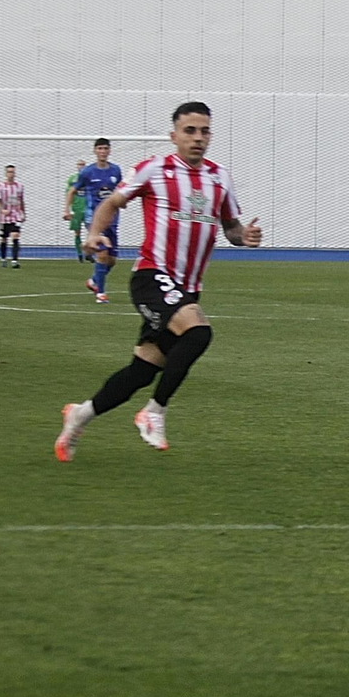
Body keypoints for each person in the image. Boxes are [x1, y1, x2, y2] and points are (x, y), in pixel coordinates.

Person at [54, 102, 262, 462]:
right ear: (174, 136)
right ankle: (155, 411)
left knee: (142, 370)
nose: (198, 138)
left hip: (186, 288)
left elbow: (230, 228)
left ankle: (79, 415)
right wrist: (94, 233)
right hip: (153, 276)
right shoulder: (155, 169)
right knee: (199, 332)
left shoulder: (219, 177)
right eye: (190, 131)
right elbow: (113, 202)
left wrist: (246, 235)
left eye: (204, 131)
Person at [64, 139, 122, 303]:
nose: (103, 151)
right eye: (100, 148)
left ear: (109, 151)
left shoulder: (115, 170)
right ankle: (100, 294)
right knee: (102, 254)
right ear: (95, 151)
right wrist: (66, 209)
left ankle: (94, 280)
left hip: (112, 218)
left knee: (111, 260)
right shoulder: (87, 172)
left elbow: (120, 190)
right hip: (94, 218)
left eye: (105, 148)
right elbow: (72, 191)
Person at [0, 164, 26, 268]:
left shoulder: (19, 187)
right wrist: (2, 210)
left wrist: (23, 213)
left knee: (15, 236)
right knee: (4, 238)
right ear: (6, 173)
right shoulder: (0, 186)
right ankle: (3, 259)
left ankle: (14, 261)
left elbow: (21, 200)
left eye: (12, 172)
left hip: (15, 215)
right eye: (9, 172)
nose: (11, 174)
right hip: (4, 217)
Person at [67, 161, 87, 262]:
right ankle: (79, 254)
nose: (81, 166)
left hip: (88, 209)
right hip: (76, 209)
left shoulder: (89, 178)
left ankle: (88, 253)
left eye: (82, 165)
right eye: (79, 165)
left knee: (91, 232)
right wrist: (68, 209)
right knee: (77, 233)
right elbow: (68, 194)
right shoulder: (72, 179)